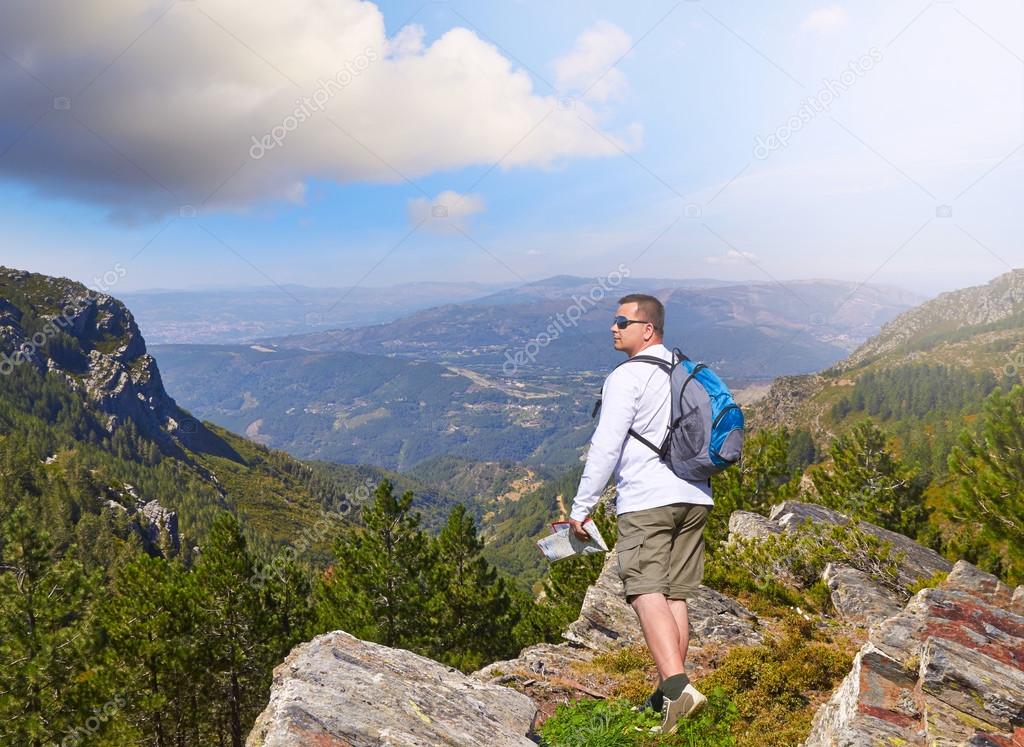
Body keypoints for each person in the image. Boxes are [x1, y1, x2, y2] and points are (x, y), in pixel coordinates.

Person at [565, 293, 711, 735]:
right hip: (695, 496)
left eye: (621, 321)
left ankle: (677, 688)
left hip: (648, 499)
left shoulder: (627, 377)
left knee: (643, 589)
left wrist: (582, 507)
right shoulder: (686, 371)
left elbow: (606, 445)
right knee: (674, 596)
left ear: (647, 329)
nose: (613, 327)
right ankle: (671, 696)